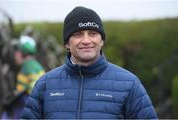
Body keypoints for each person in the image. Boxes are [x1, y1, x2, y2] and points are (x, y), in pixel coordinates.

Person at [21, 6, 157, 119]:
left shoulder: (129, 84)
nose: (86, 40)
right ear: (67, 43)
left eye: (92, 33)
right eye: (78, 34)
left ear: (102, 41)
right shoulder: (45, 85)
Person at [1, 35, 45, 119]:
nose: (15, 54)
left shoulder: (26, 67)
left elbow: (19, 92)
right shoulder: (36, 65)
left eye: (16, 51)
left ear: (23, 53)